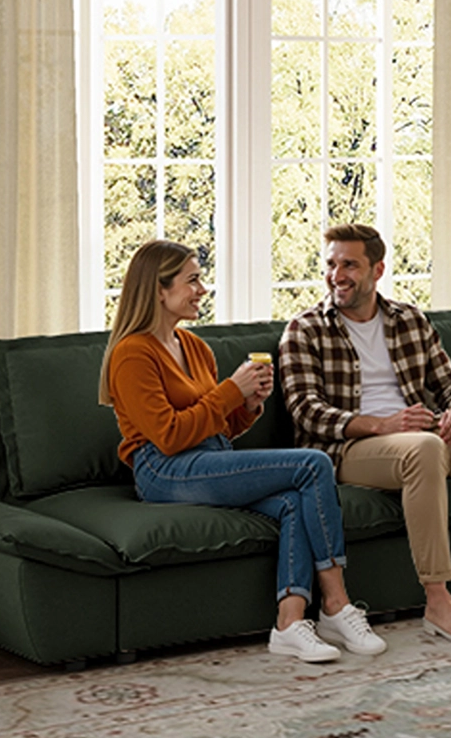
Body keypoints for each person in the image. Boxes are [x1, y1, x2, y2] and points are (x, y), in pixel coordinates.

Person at [100, 240, 384, 663]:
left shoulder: (195, 348)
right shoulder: (131, 354)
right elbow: (169, 436)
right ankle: (337, 602)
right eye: (192, 280)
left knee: (293, 503)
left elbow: (219, 428)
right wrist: (231, 391)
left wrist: (248, 405)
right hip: (163, 470)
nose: (202, 289)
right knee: (313, 464)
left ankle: (289, 623)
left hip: (207, 459)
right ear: (159, 290)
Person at [279, 224, 451, 646]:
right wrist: (382, 424)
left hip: (419, 437)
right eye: (330, 264)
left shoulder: (408, 319)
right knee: (426, 448)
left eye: (349, 265)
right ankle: (437, 601)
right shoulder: (305, 329)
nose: (336, 275)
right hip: (351, 447)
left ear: (377, 270)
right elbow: (306, 412)